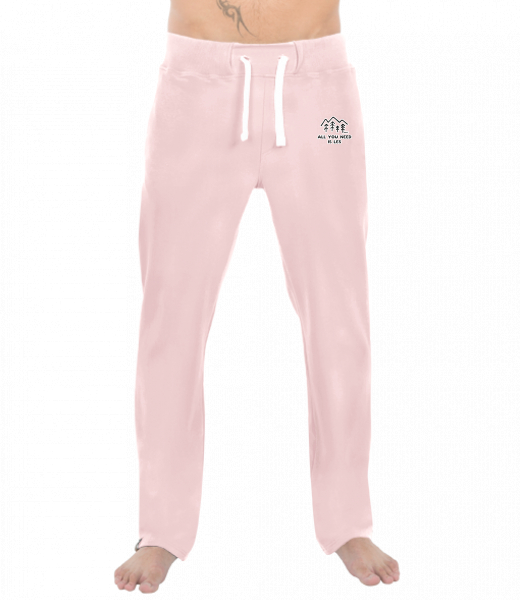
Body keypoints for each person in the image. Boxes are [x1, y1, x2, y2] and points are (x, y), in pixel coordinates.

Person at [114, 0, 400, 593]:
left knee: (339, 314)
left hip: (320, 95)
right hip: (197, 88)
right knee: (172, 317)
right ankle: (162, 527)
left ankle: (348, 520)